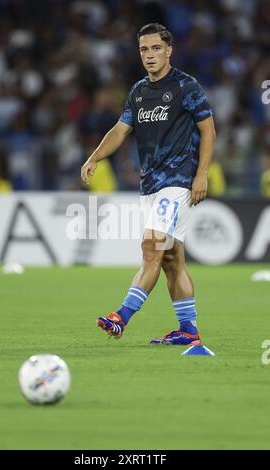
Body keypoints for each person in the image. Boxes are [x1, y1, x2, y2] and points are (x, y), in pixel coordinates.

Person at [81, 23, 216, 345]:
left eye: (156, 48)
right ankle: (188, 330)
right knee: (171, 259)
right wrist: (94, 157)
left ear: (169, 50)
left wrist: (201, 174)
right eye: (144, 49)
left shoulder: (187, 86)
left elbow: (209, 130)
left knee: (151, 246)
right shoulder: (139, 91)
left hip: (178, 181)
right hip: (151, 185)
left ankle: (121, 316)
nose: (150, 55)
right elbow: (120, 129)